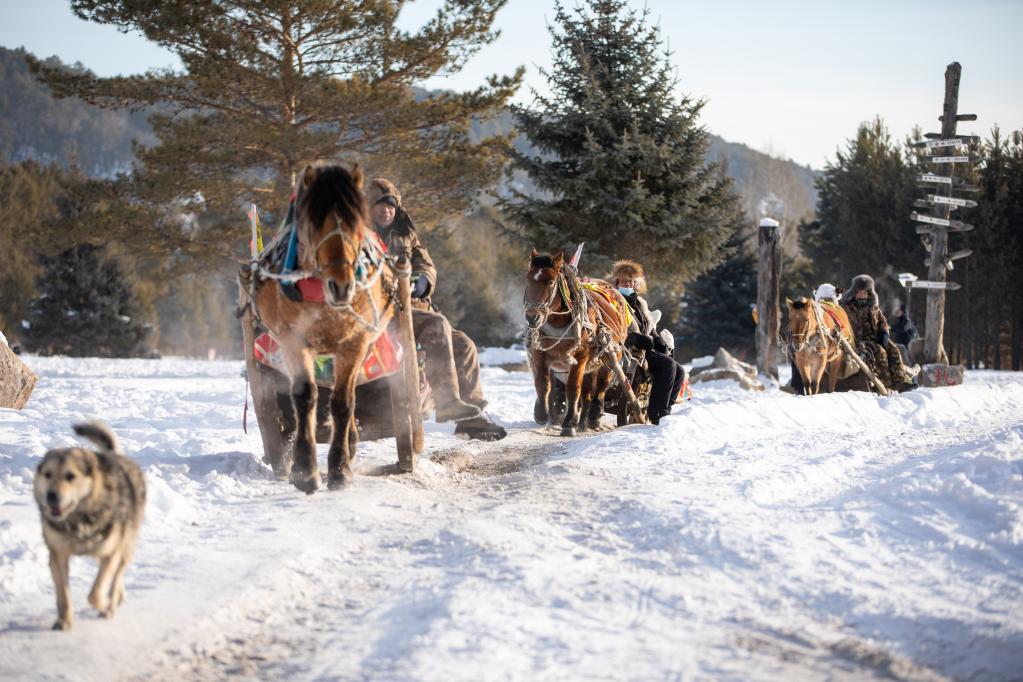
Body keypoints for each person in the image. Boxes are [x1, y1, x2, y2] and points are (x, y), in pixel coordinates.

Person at [366, 178, 507, 440]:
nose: (387, 210)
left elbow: (426, 263)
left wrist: (424, 279)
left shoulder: (405, 234)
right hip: (380, 313)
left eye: (391, 205)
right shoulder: (359, 237)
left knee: (463, 345)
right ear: (367, 208)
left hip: (416, 307)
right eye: (379, 205)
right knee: (437, 327)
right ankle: (446, 402)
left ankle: (470, 416)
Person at [609, 260, 686, 425]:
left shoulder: (639, 303)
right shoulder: (611, 301)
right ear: (616, 282)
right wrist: (633, 338)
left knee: (679, 370)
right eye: (624, 281)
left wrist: (656, 338)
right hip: (625, 350)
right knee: (668, 366)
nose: (628, 284)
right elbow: (611, 328)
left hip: (644, 348)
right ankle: (658, 414)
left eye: (630, 281)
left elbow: (647, 325)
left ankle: (666, 408)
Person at [839, 275, 916, 393]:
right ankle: (887, 385)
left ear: (869, 294)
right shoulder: (847, 308)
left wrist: (884, 333)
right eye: (860, 292)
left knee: (894, 350)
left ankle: (900, 382)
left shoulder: (873, 307)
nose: (862, 295)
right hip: (859, 341)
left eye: (865, 293)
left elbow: (882, 321)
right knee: (881, 352)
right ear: (854, 293)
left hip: (876, 337)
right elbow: (843, 325)